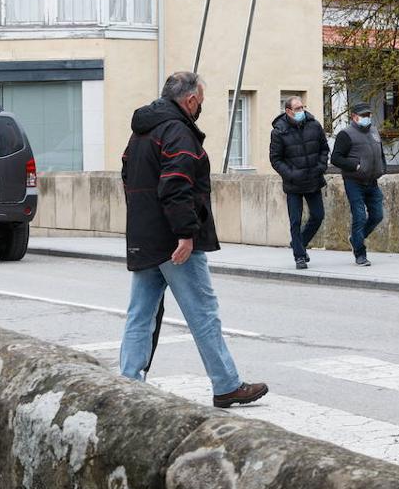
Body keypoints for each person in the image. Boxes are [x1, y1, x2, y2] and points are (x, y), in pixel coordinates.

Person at [119, 71, 268, 409]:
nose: (200, 107)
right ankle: (226, 384)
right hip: (174, 240)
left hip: (144, 234)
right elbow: (175, 184)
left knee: (140, 313)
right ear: (189, 101)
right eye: (200, 102)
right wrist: (186, 233)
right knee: (203, 312)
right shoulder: (178, 131)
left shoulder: (140, 132)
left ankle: (128, 383)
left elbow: (128, 175)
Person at [269, 96, 330, 269]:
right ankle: (299, 256)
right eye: (297, 109)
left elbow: (324, 149)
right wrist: (291, 174)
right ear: (288, 111)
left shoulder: (314, 125)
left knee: (318, 216)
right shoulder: (279, 131)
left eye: (302, 107)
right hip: (294, 183)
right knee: (295, 220)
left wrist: (320, 167)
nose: (301, 111)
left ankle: (299, 243)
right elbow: (275, 159)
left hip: (313, 178)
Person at [329, 101, 387, 267]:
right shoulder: (345, 134)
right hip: (354, 181)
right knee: (359, 216)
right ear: (354, 117)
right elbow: (336, 158)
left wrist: (383, 167)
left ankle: (355, 238)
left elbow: (380, 152)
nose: (367, 118)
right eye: (363, 116)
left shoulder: (374, 132)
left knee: (377, 215)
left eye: (368, 115)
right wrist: (355, 166)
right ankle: (360, 254)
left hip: (372, 181)